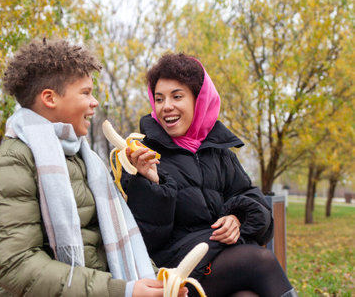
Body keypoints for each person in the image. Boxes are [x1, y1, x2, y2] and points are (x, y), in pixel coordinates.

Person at [0, 38, 188, 297]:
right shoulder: (9, 163)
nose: (94, 102)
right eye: (86, 92)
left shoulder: (85, 161)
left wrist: (157, 282)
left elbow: (108, 245)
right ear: (50, 98)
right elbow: (17, 266)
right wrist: (123, 291)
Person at [120, 53, 298, 297]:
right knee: (261, 261)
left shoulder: (220, 153)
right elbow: (147, 239)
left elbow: (254, 205)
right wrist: (152, 184)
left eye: (177, 96)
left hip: (222, 259)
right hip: (176, 273)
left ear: (199, 99)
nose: (166, 106)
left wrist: (236, 217)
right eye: (159, 99)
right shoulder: (143, 156)